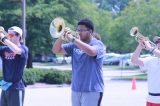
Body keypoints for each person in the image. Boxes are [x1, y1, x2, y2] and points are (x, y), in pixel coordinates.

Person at [52, 18, 105, 106]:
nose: (79, 32)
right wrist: (61, 37)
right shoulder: (74, 45)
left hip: (92, 90)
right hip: (76, 89)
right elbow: (56, 50)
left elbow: (92, 52)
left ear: (90, 31)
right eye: (78, 30)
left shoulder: (98, 44)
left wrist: (74, 40)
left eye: (82, 30)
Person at [0, 26, 28, 106]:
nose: (8, 37)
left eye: (11, 35)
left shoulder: (23, 49)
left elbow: (16, 50)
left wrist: (4, 38)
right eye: (8, 35)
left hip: (16, 88)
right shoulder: (4, 49)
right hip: (5, 87)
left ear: (19, 36)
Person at [132, 36, 160, 106]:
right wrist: (140, 46)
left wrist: (150, 48)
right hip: (150, 99)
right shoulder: (150, 59)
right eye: (157, 42)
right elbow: (134, 60)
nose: (158, 44)